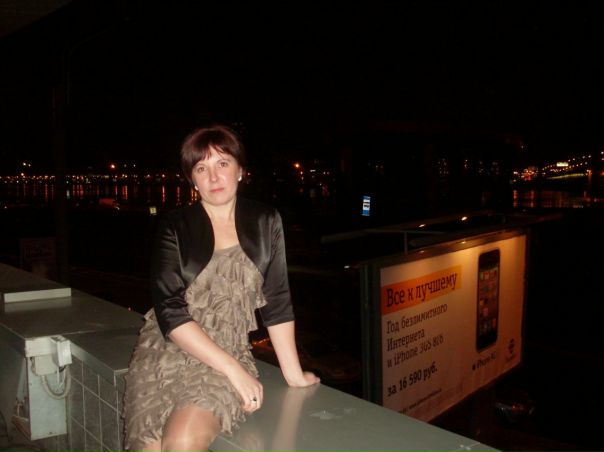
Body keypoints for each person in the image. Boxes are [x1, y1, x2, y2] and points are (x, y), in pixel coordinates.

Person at [123, 124, 320, 452]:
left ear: (240, 170)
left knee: (182, 441)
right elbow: (169, 310)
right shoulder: (175, 226)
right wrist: (234, 371)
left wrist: (294, 375)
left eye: (222, 163)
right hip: (164, 354)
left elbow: (277, 300)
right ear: (193, 179)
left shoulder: (265, 221)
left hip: (227, 350)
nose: (213, 177)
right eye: (202, 168)